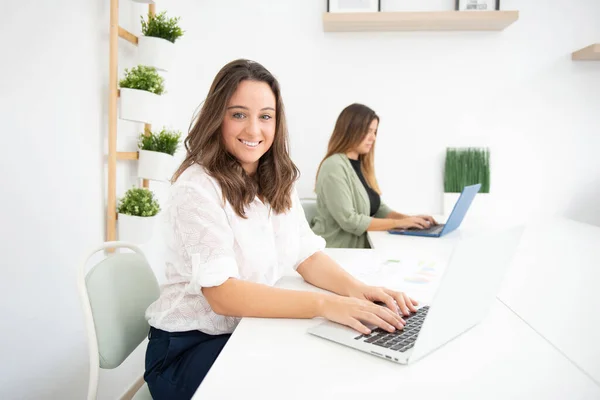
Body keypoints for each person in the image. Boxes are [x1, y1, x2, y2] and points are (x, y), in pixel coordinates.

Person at [143, 60, 418, 400]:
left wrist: (357, 290)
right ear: (218, 117)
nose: (254, 130)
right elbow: (222, 295)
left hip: (247, 329)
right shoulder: (196, 188)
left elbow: (306, 255)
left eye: (265, 116)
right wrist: (324, 305)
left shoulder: (277, 179)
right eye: (239, 114)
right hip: (188, 350)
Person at [311, 103, 437, 249]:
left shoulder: (361, 165)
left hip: (357, 252)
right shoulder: (334, 166)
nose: (373, 138)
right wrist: (399, 224)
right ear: (351, 130)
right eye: (368, 131)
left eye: (375, 132)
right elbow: (349, 220)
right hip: (335, 251)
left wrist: (410, 219)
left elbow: (378, 209)